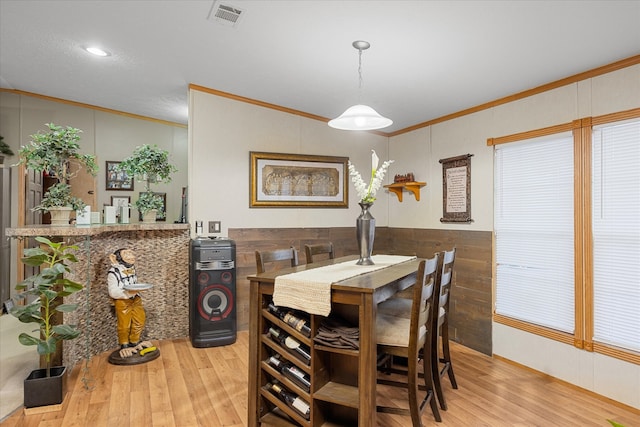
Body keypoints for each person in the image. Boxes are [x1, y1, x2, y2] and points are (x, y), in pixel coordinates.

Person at [107, 248, 153, 358]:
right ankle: (124, 345)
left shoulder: (132, 269)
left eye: (131, 253)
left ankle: (134, 342)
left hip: (135, 299)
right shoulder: (113, 273)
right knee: (124, 325)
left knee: (139, 321)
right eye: (126, 254)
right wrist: (128, 293)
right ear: (117, 258)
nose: (131, 256)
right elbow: (113, 292)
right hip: (123, 301)